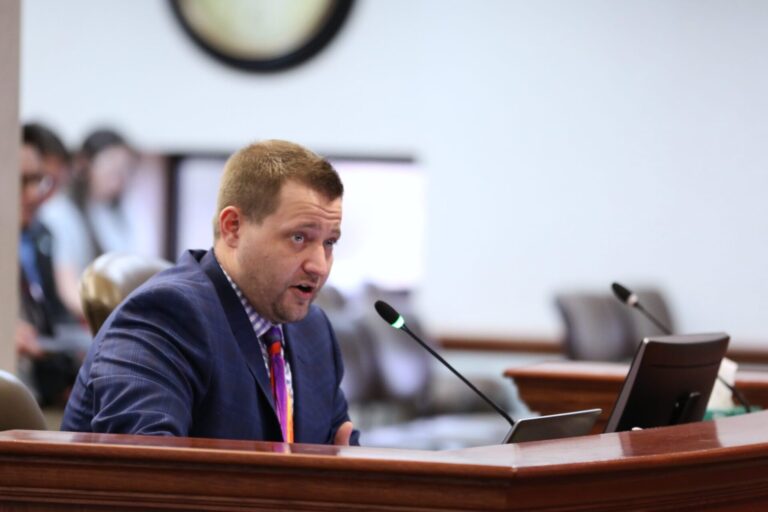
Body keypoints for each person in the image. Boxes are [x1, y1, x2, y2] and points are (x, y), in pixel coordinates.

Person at [62, 139, 357, 445]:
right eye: (298, 237)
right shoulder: (165, 316)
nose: (320, 266)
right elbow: (144, 472)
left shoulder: (314, 331)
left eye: (329, 243)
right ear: (233, 228)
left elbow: (340, 449)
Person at [18, 124, 90, 407]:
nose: (35, 193)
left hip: (42, 384)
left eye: (39, 180)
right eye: (21, 181)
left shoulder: (41, 234)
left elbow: (54, 307)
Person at [39, 129, 138, 318]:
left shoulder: (116, 215)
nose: (118, 178)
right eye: (111, 168)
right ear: (84, 165)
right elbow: (69, 291)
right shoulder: (61, 213)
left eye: (125, 170)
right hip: (83, 320)